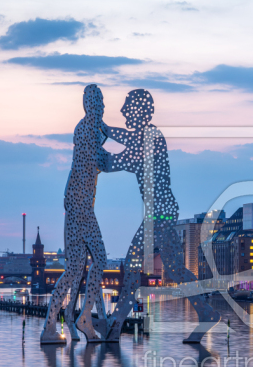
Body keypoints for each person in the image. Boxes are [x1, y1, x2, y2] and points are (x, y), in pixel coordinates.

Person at [100, 89, 220, 342]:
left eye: (127, 107)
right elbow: (124, 138)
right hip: (164, 212)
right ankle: (206, 312)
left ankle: (115, 325)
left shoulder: (150, 137)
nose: (122, 111)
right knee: (175, 269)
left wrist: (96, 141)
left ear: (141, 111)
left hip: (158, 215)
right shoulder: (148, 136)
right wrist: (105, 129)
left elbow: (114, 162)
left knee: (132, 268)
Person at [41, 85, 133, 343]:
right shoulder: (86, 130)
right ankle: (82, 319)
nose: (102, 105)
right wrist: (134, 159)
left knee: (73, 270)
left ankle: (53, 327)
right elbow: (103, 161)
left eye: (102, 100)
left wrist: (132, 143)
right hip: (80, 208)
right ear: (87, 104)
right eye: (97, 101)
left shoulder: (92, 128)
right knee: (99, 260)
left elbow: (111, 135)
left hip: (78, 207)